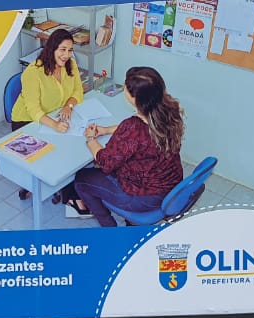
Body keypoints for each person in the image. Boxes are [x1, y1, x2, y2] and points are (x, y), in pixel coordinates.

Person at [62, 66, 185, 227]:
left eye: (126, 86)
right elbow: (138, 133)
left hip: (145, 197)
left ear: (134, 98)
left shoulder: (133, 126)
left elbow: (105, 162)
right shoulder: (168, 110)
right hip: (171, 188)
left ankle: (110, 228)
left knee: (81, 179)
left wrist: (91, 139)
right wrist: (107, 130)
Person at [9, 28, 83, 200]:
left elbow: (78, 91)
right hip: (27, 121)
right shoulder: (33, 72)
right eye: (62, 49)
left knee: (69, 148)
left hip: (55, 113)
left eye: (70, 50)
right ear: (52, 48)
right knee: (46, 155)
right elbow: (34, 110)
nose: (67, 55)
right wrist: (55, 125)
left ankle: (65, 189)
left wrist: (68, 106)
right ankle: (43, 184)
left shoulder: (71, 64)